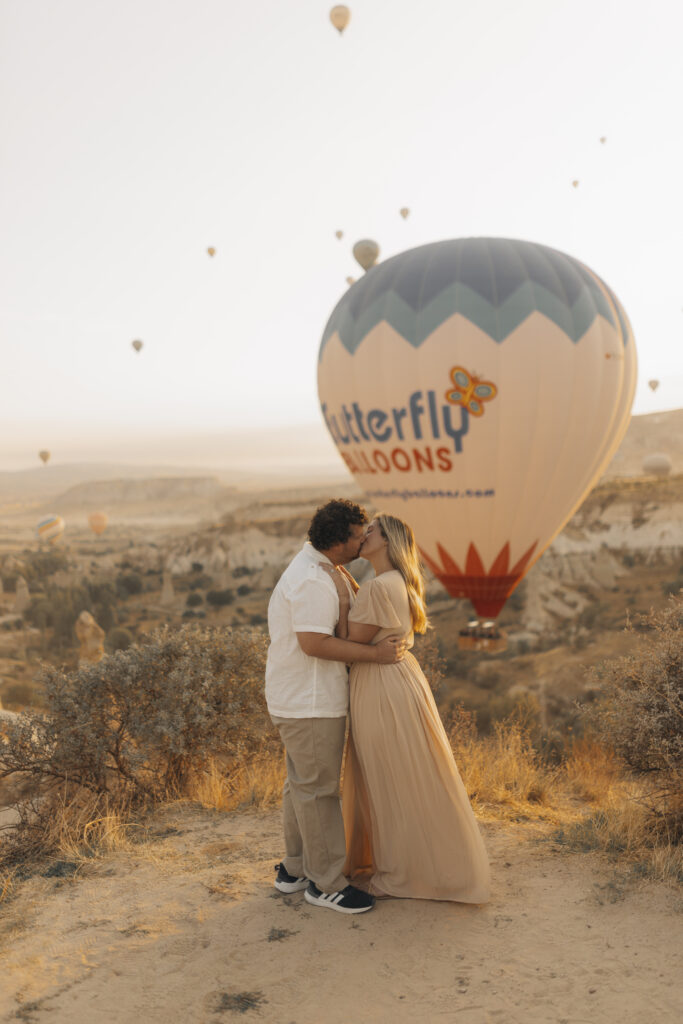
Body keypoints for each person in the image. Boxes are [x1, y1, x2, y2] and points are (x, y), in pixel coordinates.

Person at [323, 513, 490, 903]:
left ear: (389, 541)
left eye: (373, 531)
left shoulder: (378, 587)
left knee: (386, 778)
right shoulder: (399, 582)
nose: (364, 535)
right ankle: (419, 864)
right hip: (403, 680)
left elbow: (350, 640)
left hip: (379, 684)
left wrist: (345, 595)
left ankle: (400, 872)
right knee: (407, 772)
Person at [265, 499, 406, 916]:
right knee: (319, 790)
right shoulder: (312, 579)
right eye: (359, 535)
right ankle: (325, 884)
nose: (364, 540)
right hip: (308, 700)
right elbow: (314, 643)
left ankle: (293, 869)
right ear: (339, 540)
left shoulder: (330, 569)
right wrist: (377, 657)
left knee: (302, 785)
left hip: (303, 696)